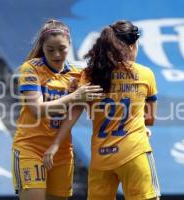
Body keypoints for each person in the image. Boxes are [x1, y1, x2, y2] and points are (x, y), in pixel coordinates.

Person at [43, 20, 160, 200]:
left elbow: (73, 114)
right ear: (132, 45)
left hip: (101, 158)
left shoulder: (90, 75)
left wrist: (56, 144)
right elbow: (149, 119)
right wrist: (139, 124)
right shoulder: (145, 74)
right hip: (134, 153)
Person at [11, 19, 103, 200]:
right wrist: (74, 96)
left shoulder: (79, 72)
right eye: (50, 50)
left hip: (61, 150)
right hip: (30, 148)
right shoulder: (30, 69)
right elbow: (37, 109)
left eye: (62, 48)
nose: (57, 54)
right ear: (42, 47)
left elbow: (76, 110)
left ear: (70, 44)